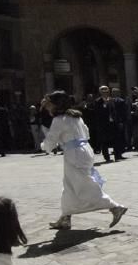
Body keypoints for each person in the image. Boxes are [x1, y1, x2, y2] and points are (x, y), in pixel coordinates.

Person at [41, 91, 127, 230]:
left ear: (56, 104)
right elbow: (86, 133)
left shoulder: (59, 120)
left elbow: (50, 141)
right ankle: (65, 217)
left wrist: (44, 146)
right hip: (84, 150)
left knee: (84, 185)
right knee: (70, 185)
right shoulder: (76, 116)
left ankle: (115, 207)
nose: (47, 107)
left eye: (49, 104)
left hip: (74, 154)